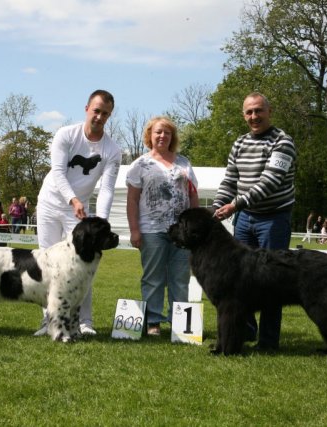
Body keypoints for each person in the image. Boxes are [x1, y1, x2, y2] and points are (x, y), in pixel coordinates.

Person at [212, 92, 296, 351]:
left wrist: (235, 204)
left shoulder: (283, 142)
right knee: (240, 282)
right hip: (244, 219)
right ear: (243, 114)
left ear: (269, 112)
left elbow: (270, 182)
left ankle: (269, 342)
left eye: (258, 111)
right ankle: (244, 333)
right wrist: (215, 209)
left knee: (272, 282)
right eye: (249, 112)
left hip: (274, 219)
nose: (254, 116)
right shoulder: (239, 143)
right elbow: (229, 181)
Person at [35, 89, 122, 336]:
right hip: (51, 204)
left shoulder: (112, 151)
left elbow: (106, 189)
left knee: (82, 265)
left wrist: (101, 222)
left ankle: (85, 322)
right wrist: (73, 199)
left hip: (78, 213)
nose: (99, 117)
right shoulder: (66, 135)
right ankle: (49, 320)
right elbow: (58, 171)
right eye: (96, 111)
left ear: (109, 116)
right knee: (48, 266)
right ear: (86, 109)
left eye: (105, 114)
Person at [126, 116, 199, 336]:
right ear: (150, 135)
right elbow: (132, 200)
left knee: (180, 278)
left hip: (182, 232)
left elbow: (193, 195)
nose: (162, 136)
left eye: (167, 132)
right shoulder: (139, 165)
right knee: (153, 278)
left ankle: (180, 325)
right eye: (158, 132)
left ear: (172, 137)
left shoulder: (184, 163)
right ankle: (153, 323)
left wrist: (195, 228)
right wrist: (134, 230)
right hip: (151, 230)